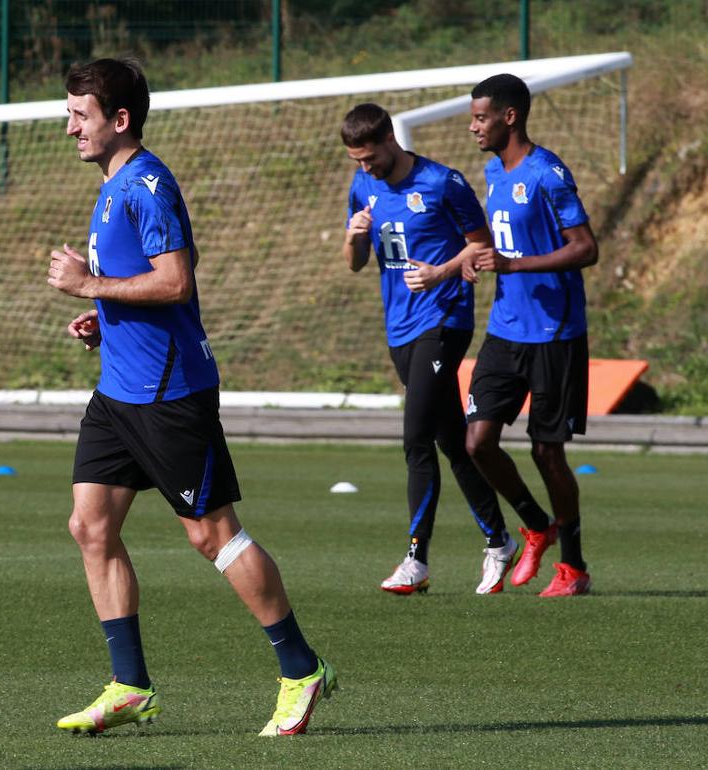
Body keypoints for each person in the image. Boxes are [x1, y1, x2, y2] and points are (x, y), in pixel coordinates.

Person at [46, 57, 336, 737]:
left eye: (79, 116)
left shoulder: (148, 184)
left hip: (169, 393)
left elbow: (175, 282)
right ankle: (130, 686)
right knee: (90, 526)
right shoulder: (113, 184)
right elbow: (141, 284)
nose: (69, 129)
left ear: (119, 120)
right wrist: (105, 318)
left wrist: (90, 287)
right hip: (119, 391)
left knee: (212, 536)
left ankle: (301, 668)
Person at [341, 103, 518, 596]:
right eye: (356, 160)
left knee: (415, 438)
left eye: (370, 157)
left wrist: (441, 272)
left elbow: (480, 246)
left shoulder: (443, 183)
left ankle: (416, 559)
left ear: (390, 140)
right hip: (399, 328)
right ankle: (499, 541)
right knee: (452, 443)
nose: (365, 167)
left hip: (444, 320)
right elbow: (355, 263)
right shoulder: (362, 187)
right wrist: (353, 238)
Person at [463, 73, 598, 597]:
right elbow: (499, 243)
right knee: (478, 440)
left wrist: (519, 265)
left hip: (556, 332)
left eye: (480, 117)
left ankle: (574, 567)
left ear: (509, 116)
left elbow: (586, 247)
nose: (474, 126)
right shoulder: (493, 170)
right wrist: (475, 259)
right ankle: (534, 523)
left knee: (548, 452)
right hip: (505, 328)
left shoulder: (547, 172)